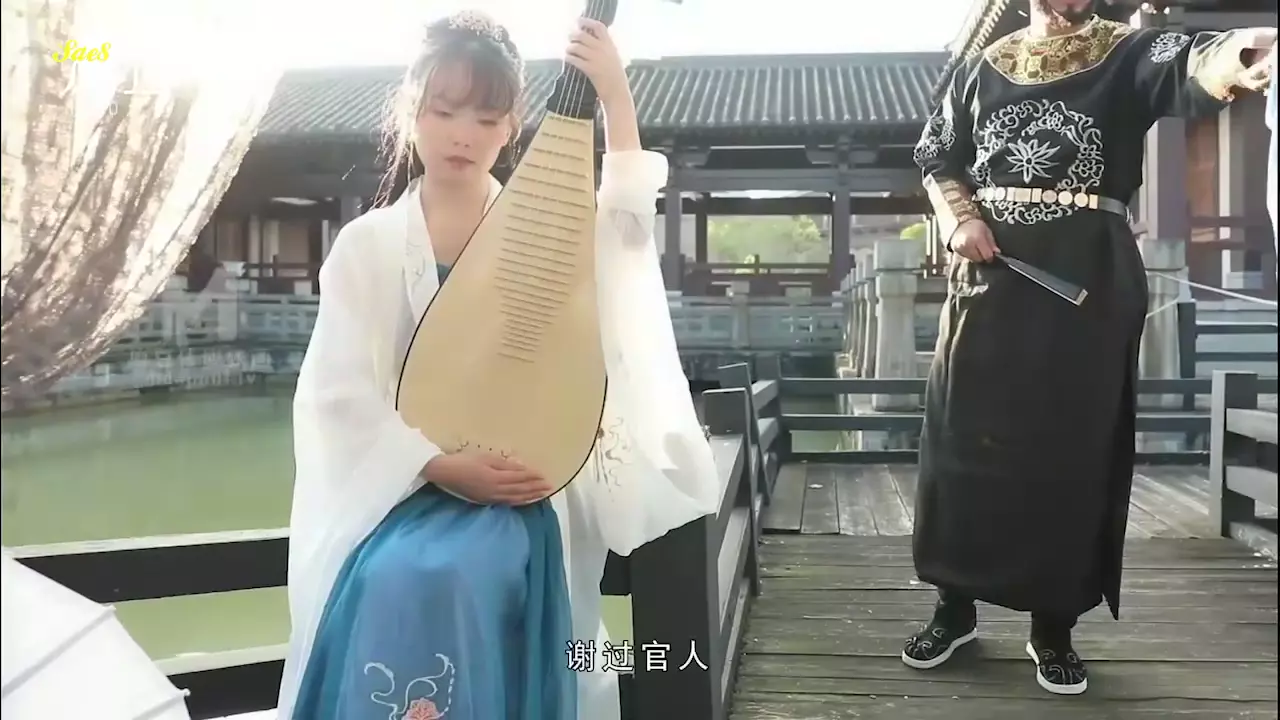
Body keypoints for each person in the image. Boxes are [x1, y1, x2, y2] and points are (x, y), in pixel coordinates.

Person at [275, 10, 720, 720]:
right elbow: (338, 395)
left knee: (458, 574)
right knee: (397, 577)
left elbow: (627, 236)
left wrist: (614, 96)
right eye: (444, 111)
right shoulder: (368, 245)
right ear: (411, 112)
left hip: (519, 488)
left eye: (486, 118)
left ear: (512, 128)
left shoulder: (543, 232)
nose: (462, 134)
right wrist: (438, 464)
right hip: (403, 488)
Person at [903, 0, 1275, 696]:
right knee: (962, 438)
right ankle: (954, 606)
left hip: (1088, 273)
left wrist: (1244, 52)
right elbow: (936, 154)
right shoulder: (983, 65)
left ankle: (1054, 625)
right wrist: (959, 219)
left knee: (1071, 444)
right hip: (989, 273)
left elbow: (1191, 61)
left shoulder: (1125, 51)